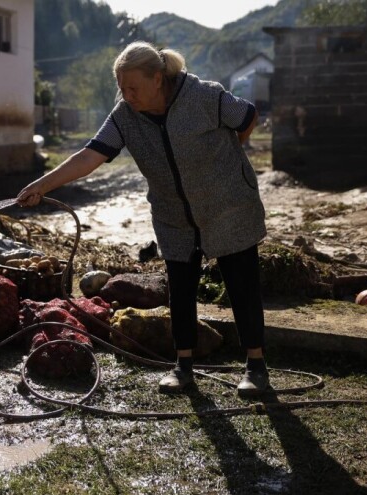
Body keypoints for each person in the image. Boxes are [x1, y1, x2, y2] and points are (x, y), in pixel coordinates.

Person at [16, 41, 268, 397]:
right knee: (180, 286)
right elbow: (91, 156)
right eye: (121, 87)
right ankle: (182, 367)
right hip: (173, 213)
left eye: (132, 87)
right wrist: (43, 185)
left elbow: (248, 117)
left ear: (157, 79)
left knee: (241, 282)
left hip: (228, 204)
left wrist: (226, 162)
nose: (127, 94)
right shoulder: (125, 116)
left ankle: (256, 366)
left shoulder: (204, 96)